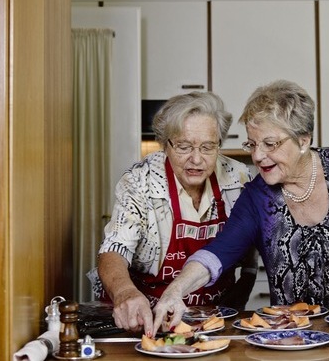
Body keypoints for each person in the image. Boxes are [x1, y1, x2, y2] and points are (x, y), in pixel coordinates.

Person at [148, 79, 329, 337]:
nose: (257, 156)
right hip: (299, 339)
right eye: (252, 144)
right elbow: (217, 254)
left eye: (270, 144)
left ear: (303, 140)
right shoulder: (257, 198)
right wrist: (175, 291)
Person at [87, 91, 257, 333]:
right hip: (146, 319)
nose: (196, 159)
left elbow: (250, 253)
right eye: (184, 146)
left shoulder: (237, 177)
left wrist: (238, 298)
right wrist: (125, 293)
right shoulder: (140, 181)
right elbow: (114, 249)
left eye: (208, 147)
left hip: (212, 318)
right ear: (165, 144)